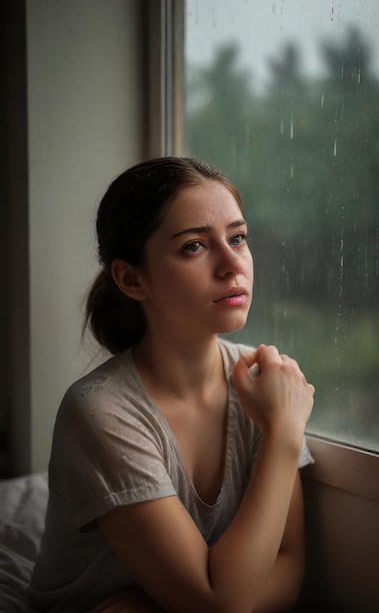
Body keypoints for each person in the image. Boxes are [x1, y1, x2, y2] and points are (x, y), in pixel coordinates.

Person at [27, 156, 315, 613]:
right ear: (131, 278)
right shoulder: (100, 411)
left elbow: (290, 567)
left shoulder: (262, 381)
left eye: (238, 238)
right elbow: (218, 605)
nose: (231, 265)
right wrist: (283, 434)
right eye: (194, 247)